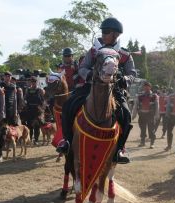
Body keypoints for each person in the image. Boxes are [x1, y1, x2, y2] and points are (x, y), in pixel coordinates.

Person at [57, 17, 136, 164]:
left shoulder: (125, 55)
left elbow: (132, 73)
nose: (103, 34)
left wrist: (125, 79)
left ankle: (119, 150)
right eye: (103, 31)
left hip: (114, 88)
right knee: (68, 106)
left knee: (126, 114)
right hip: (90, 86)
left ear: (116, 35)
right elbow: (83, 67)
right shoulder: (93, 51)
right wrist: (88, 75)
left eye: (106, 32)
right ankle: (67, 142)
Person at [133, 82, 159, 148]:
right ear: (143, 87)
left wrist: (157, 115)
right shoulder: (139, 96)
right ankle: (142, 142)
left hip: (150, 115)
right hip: (142, 115)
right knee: (142, 129)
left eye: (148, 86)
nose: (146, 88)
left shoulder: (154, 96)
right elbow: (136, 106)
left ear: (150, 87)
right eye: (145, 86)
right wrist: (134, 115)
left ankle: (152, 143)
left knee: (151, 130)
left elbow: (157, 106)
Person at [25, 76, 45, 145]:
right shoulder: (28, 90)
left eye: (34, 81)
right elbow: (25, 99)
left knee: (37, 126)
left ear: (36, 82)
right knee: (29, 126)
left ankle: (36, 140)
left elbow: (43, 100)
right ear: (30, 82)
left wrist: (42, 110)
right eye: (32, 81)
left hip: (38, 110)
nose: (33, 83)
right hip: (30, 109)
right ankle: (29, 139)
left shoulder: (40, 90)